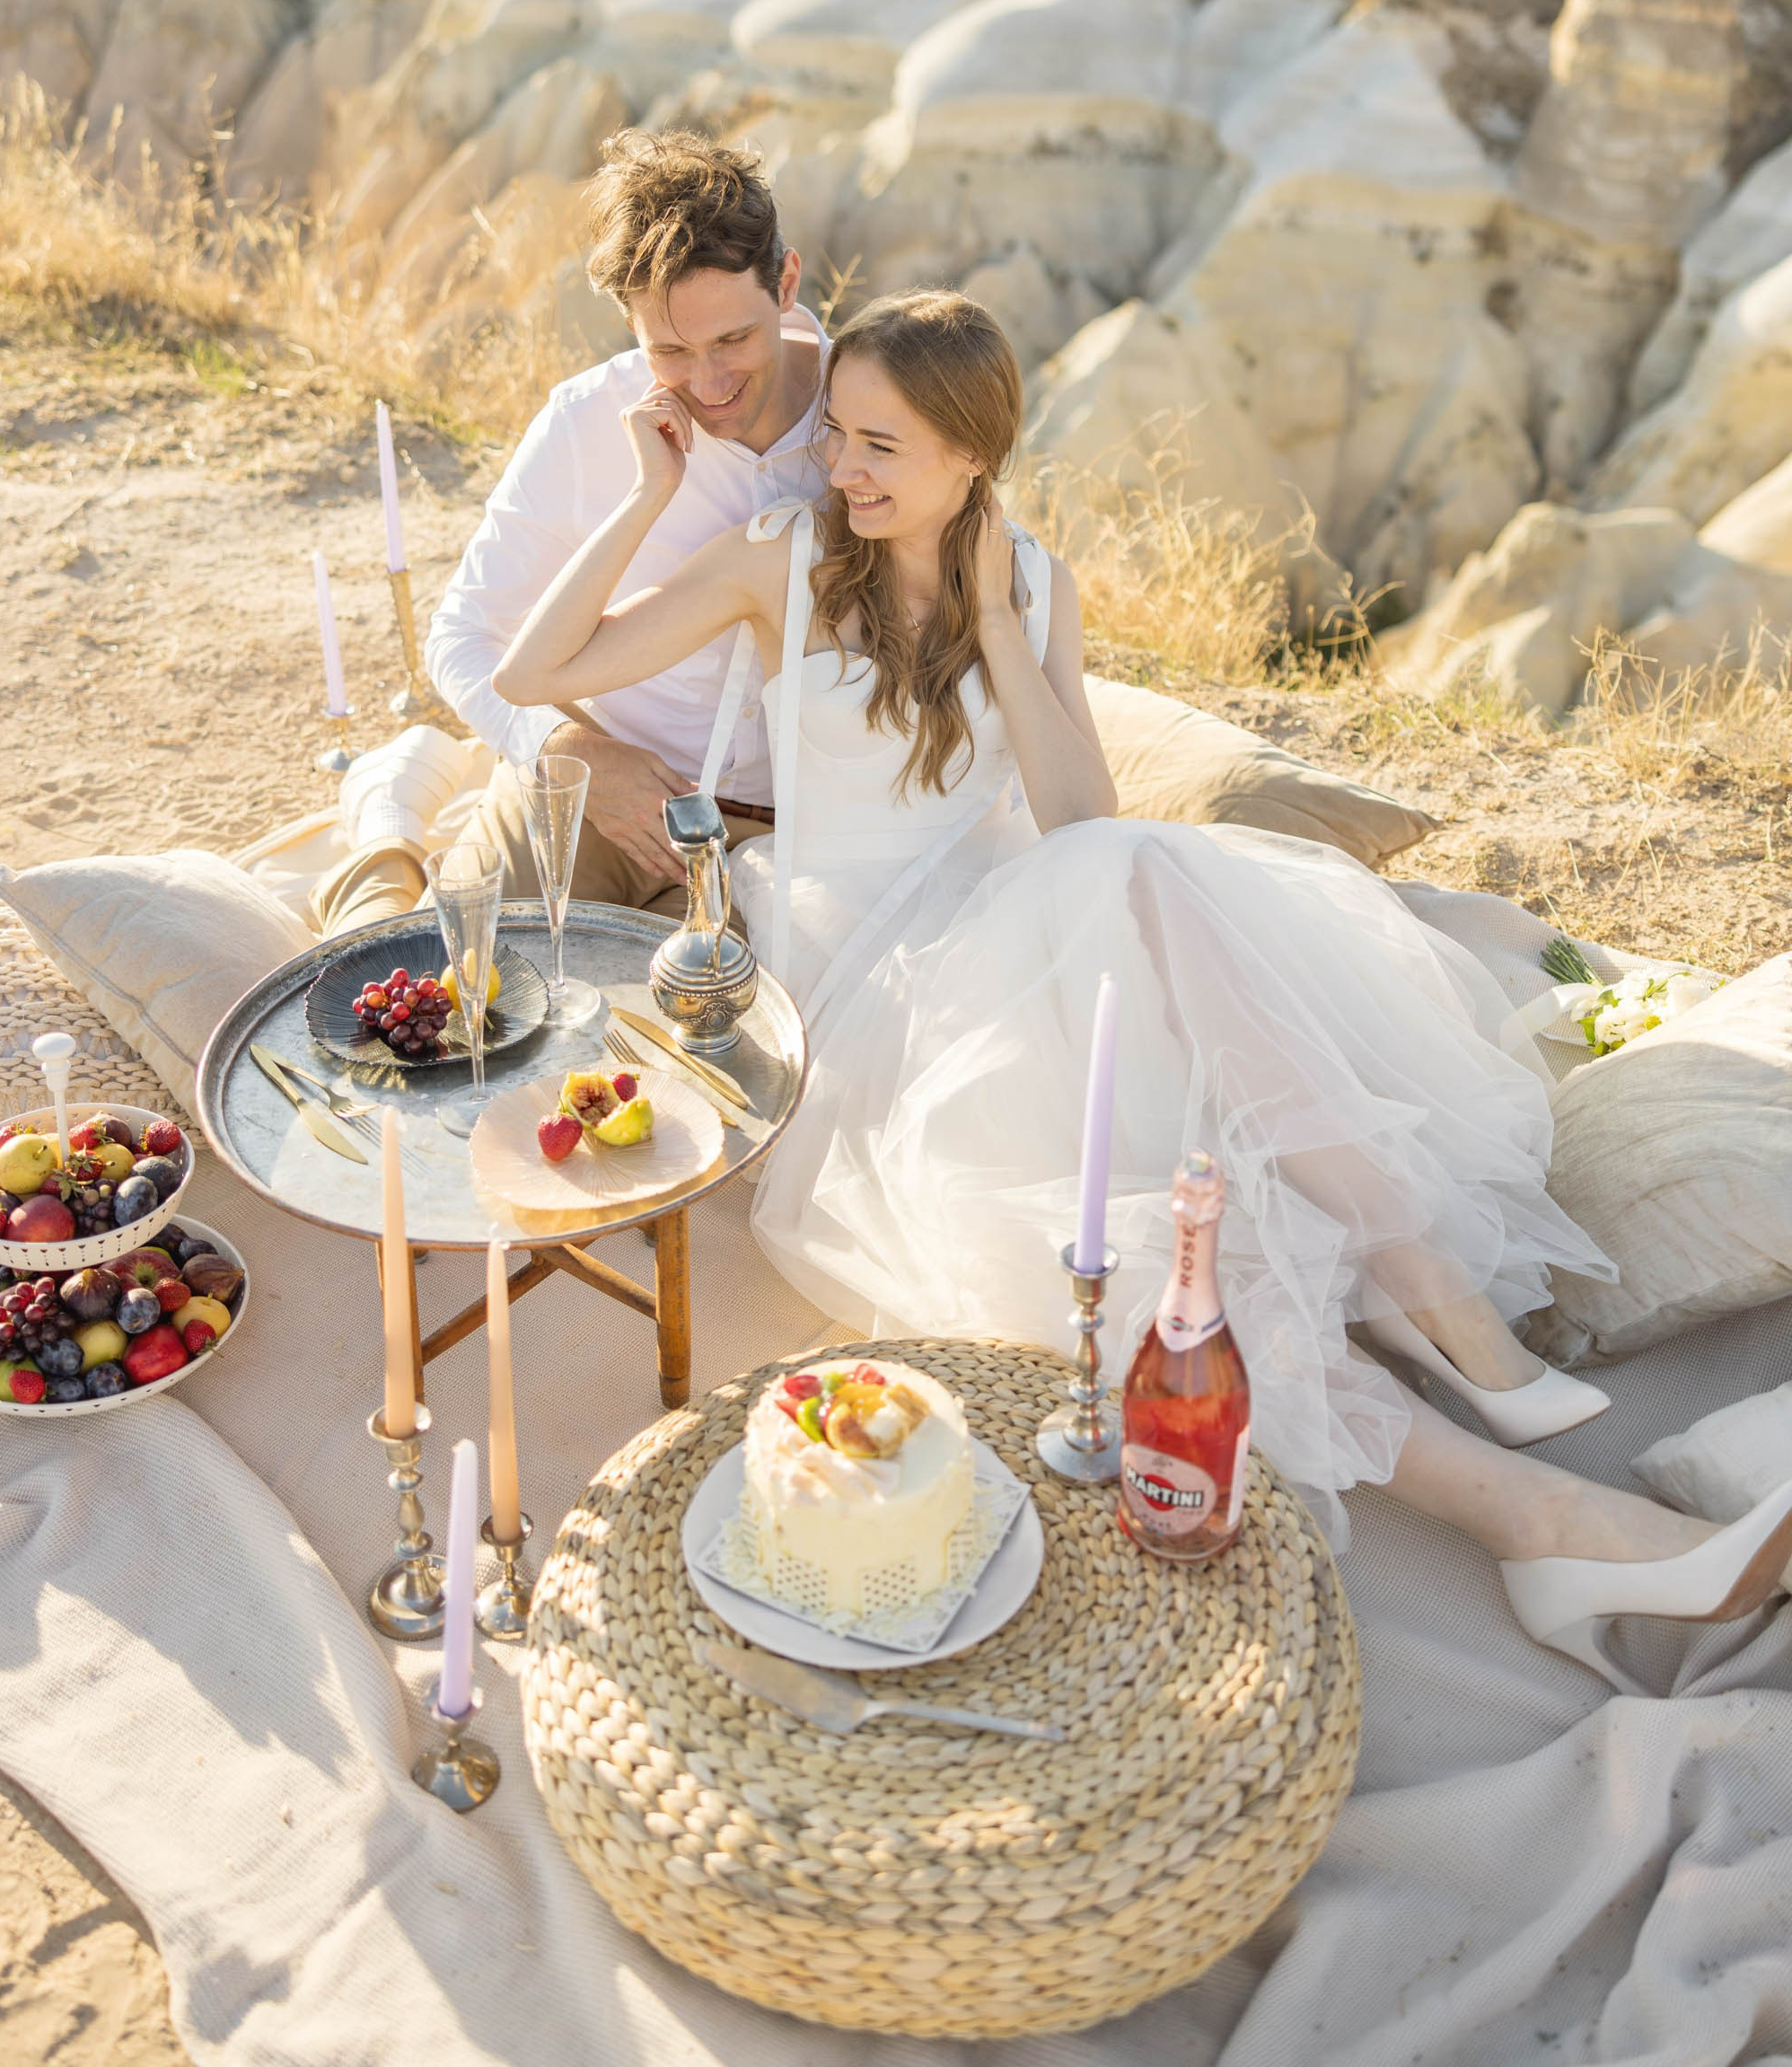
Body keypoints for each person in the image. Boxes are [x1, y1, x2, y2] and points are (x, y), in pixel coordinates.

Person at [493, 286, 1792, 1689]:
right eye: (841, 436)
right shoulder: (780, 555)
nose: (838, 466)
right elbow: (533, 669)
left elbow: (1075, 820)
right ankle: (1530, 1494)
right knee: (1120, 1207)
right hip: (858, 970)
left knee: (1153, 930)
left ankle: (1459, 1344)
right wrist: (642, 493)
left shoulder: (1032, 577)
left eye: (878, 446)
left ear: (969, 455)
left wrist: (995, 616)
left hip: (1023, 916)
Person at [425, 128, 830, 911]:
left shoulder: (869, 421)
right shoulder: (585, 419)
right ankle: (382, 837)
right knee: (442, 1000)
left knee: (705, 1031)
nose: (707, 382)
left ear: (783, 283)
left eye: (733, 340)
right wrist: (564, 750)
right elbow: (465, 637)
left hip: (776, 848)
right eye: (669, 350)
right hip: (582, 798)